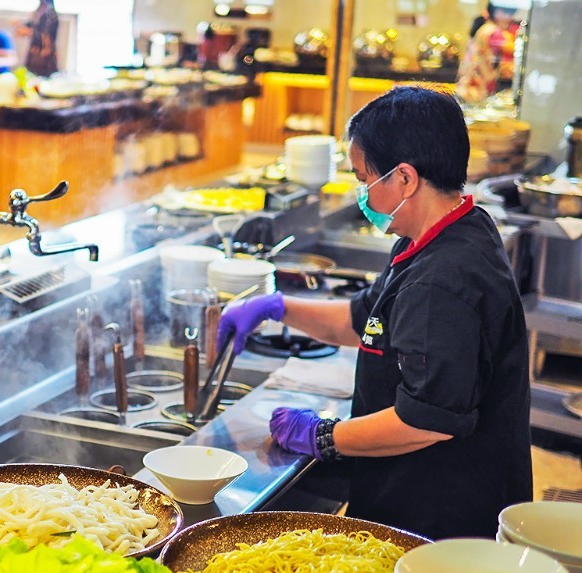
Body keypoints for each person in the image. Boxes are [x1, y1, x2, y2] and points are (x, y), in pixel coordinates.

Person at [217, 86, 531, 540]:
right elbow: (363, 319)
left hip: (441, 516)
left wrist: (324, 436)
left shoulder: (441, 281)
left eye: (365, 178)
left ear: (404, 178)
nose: (362, 193)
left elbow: (427, 420)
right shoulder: (444, 229)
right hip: (415, 494)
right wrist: (276, 308)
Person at [457, 3, 520, 103]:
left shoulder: (485, 28)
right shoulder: (495, 32)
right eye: (509, 14)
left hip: (476, 77)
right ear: (498, 12)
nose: (510, 18)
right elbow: (516, 50)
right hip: (482, 81)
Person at [18, 0, 59, 77]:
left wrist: (30, 32)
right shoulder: (38, 12)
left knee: (43, 76)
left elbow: (47, 34)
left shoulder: (51, 13)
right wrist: (21, 26)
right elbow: (32, 24)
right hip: (34, 51)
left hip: (43, 53)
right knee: (30, 75)